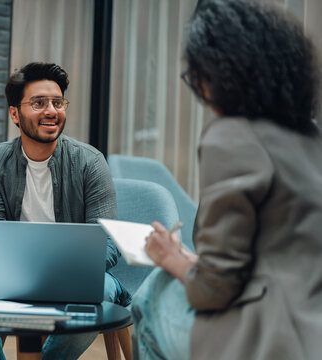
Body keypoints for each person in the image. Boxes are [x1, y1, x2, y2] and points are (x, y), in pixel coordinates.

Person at [132, 0, 322, 359]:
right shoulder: (310, 138)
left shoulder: (233, 137)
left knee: (151, 295)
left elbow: (214, 288)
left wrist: (171, 258)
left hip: (273, 336)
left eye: (197, 76)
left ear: (222, 74)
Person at [0, 62, 129, 359]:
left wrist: (63, 268)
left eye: (57, 102)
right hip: (14, 270)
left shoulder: (90, 162)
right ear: (15, 113)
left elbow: (109, 243)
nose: (51, 111)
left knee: (101, 290)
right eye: (39, 103)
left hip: (77, 274)